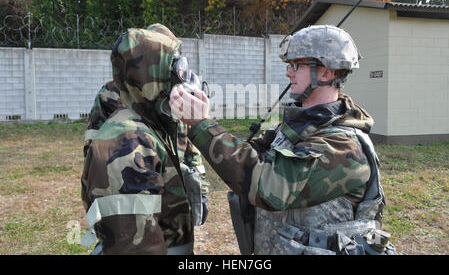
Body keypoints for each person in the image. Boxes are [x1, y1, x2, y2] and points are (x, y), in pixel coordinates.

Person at [169, 25, 396, 255]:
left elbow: (268, 185)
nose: (288, 73)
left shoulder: (343, 148)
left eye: (296, 65)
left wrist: (201, 124)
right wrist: (200, 115)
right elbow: (248, 156)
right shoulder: (299, 128)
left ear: (327, 73)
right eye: (289, 65)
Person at [81, 24, 208, 255]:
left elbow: (186, 144)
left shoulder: (162, 110)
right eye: (173, 64)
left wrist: (198, 183)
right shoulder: (125, 138)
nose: (180, 76)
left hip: (170, 216)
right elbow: (135, 242)